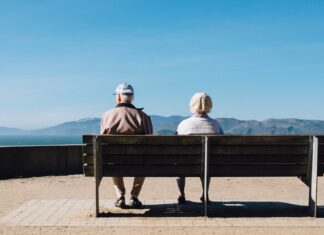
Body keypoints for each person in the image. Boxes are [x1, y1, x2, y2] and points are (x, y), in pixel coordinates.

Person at [101, 83, 153, 208]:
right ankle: (134, 196)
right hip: (138, 161)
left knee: (113, 159)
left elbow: (102, 140)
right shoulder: (142, 116)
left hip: (115, 161)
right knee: (143, 162)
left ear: (118, 97)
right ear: (132, 97)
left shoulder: (107, 115)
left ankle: (120, 196)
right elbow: (150, 139)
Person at [176, 92, 223, 204]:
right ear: (210, 105)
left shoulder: (184, 124)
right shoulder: (216, 125)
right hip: (209, 165)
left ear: (192, 104)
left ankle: (181, 194)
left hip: (186, 164)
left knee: (179, 164)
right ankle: (205, 194)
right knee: (206, 162)